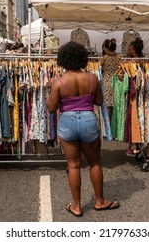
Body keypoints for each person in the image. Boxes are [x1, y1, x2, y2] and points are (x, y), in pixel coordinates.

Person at [47, 41, 120, 217]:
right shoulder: (92, 79)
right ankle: (100, 201)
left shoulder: (58, 82)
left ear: (62, 60)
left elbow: (51, 108)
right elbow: (100, 102)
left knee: (73, 165)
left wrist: (52, 89)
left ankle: (77, 206)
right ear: (83, 58)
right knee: (95, 163)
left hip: (67, 122)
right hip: (88, 119)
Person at [99, 38, 121, 122]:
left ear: (106, 47)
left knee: (107, 107)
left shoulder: (104, 58)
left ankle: (107, 128)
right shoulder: (119, 58)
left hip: (106, 83)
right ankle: (114, 127)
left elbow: (98, 68)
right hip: (116, 82)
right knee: (116, 106)